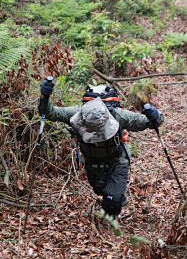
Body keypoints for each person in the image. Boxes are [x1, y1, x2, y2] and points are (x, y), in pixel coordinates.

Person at [38, 80, 164, 217]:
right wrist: (45, 96)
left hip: (117, 159)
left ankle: (113, 207)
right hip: (92, 160)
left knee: (112, 202)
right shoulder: (77, 114)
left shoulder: (119, 115)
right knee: (100, 190)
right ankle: (117, 196)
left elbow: (154, 122)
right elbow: (49, 113)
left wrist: (154, 114)